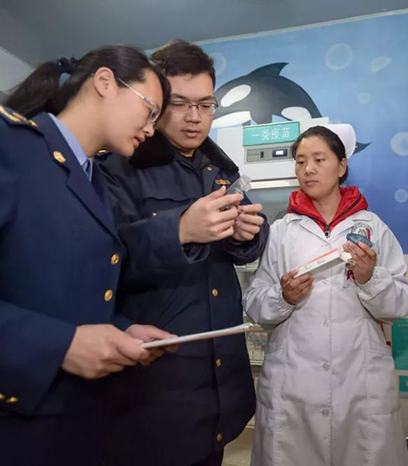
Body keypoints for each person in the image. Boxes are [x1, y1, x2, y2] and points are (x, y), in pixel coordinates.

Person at [0, 45, 175, 466]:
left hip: (69, 427)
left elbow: (44, 292)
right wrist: (59, 346)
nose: (151, 129)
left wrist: (120, 331)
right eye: (150, 110)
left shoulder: (94, 183)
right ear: (105, 82)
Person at [97, 40, 268, 466]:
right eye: (180, 104)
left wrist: (245, 233)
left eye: (206, 105)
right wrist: (179, 231)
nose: (195, 117)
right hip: (157, 388)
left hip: (221, 389)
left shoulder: (221, 170)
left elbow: (247, 248)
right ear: (156, 104)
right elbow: (103, 264)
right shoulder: (122, 166)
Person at [244, 124, 408, 466]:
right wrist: (284, 297)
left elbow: (405, 299)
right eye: (300, 161)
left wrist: (370, 278)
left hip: (359, 384)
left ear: (341, 166)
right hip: (294, 385)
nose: (307, 169)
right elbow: (254, 302)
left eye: (318, 159)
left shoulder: (372, 227)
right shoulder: (281, 231)